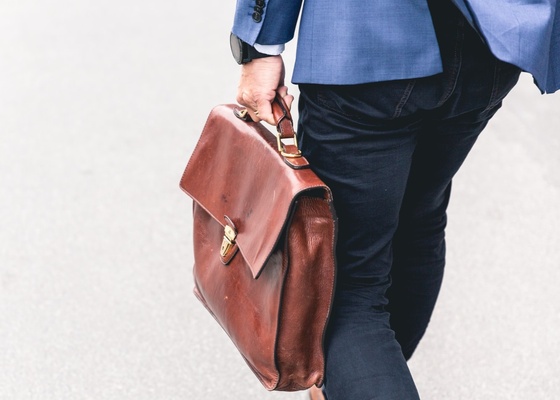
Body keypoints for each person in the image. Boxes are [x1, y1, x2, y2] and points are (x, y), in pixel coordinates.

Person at [229, 0, 558, 398]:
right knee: (417, 220)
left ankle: (359, 375)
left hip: (367, 40)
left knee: (344, 282)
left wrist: (259, 44)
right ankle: (359, 376)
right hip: (490, 44)